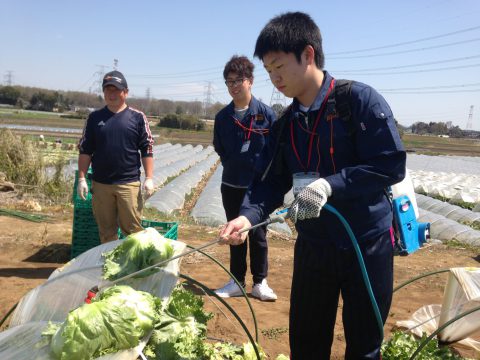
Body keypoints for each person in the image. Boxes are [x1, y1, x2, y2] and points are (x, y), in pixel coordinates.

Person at [219, 12, 406, 359]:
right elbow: (270, 181)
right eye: (269, 71)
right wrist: (246, 217)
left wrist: (332, 185)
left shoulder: (358, 102)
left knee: (365, 346)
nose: (275, 78)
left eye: (279, 67)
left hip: (365, 244)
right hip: (314, 245)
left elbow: (389, 163)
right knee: (306, 343)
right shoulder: (286, 124)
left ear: (308, 55)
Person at [213, 55, 278, 301]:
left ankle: (260, 282)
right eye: (229, 82)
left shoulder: (266, 115)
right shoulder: (222, 117)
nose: (233, 86)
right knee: (234, 234)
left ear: (250, 81)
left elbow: (274, 150)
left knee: (259, 235)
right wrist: (232, 163)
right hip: (231, 183)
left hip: (257, 187)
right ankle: (236, 281)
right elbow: (219, 146)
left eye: (238, 81)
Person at [77, 70, 154, 243]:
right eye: (107, 90)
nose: (111, 94)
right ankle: (111, 267)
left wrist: (149, 177)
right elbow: (85, 149)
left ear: (125, 92)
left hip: (128, 184)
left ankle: (132, 267)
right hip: (101, 184)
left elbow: (147, 148)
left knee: (133, 232)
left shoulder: (137, 117)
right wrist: (82, 178)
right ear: (103, 93)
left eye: (116, 90)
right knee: (106, 232)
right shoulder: (94, 118)